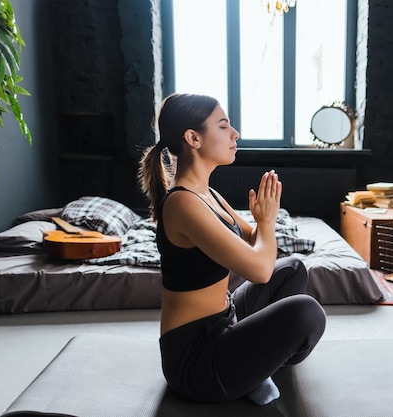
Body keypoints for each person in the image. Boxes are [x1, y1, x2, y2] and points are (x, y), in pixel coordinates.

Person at [138, 93, 326, 405]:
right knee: (306, 313)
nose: (235, 134)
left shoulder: (207, 193)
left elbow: (258, 246)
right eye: (224, 126)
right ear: (193, 138)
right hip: (195, 359)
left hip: (226, 319)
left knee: (293, 268)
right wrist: (266, 221)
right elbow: (260, 268)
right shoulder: (183, 202)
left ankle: (251, 365)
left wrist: (263, 223)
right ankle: (251, 367)